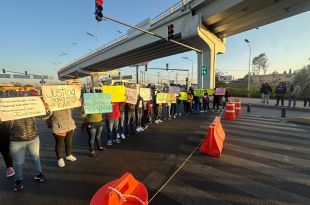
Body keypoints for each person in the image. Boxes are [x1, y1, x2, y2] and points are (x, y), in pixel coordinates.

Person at [9, 117, 46, 191]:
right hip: (17, 140)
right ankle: (18, 181)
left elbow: (43, 115)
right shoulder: (9, 106)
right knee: (18, 163)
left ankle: (38, 174)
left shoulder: (31, 105)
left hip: (33, 138)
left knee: (36, 158)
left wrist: (47, 109)